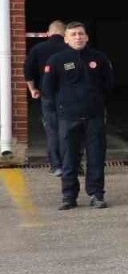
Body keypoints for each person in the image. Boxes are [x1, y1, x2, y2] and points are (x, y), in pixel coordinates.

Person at [41, 22, 114, 210]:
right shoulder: (56, 60)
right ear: (66, 39)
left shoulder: (99, 58)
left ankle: (97, 195)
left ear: (87, 37)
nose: (78, 37)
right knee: (69, 158)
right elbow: (48, 89)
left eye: (81, 34)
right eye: (73, 34)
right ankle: (68, 197)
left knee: (96, 158)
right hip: (68, 117)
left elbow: (109, 84)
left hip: (94, 117)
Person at [23, 20, 68, 176]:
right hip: (68, 96)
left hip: (47, 94)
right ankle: (71, 164)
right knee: (70, 129)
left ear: (48, 33)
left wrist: (33, 89)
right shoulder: (70, 48)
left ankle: (56, 166)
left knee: (52, 129)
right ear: (65, 33)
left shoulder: (38, 49)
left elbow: (28, 71)